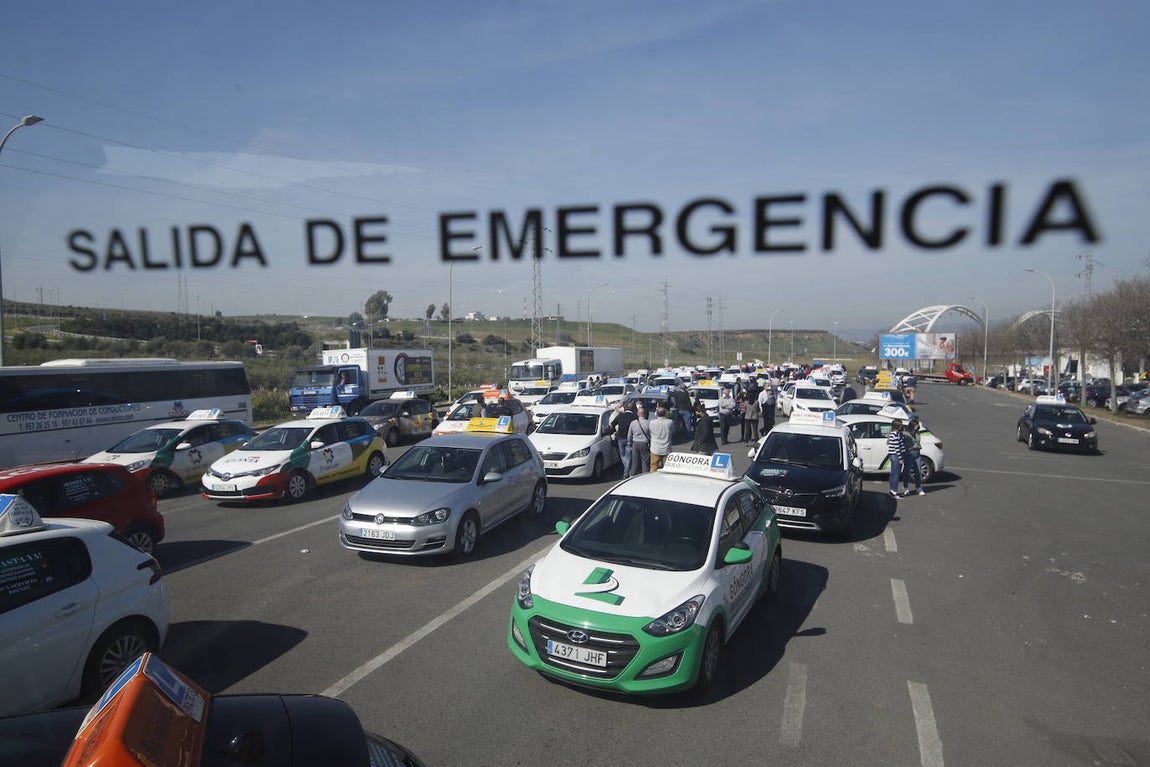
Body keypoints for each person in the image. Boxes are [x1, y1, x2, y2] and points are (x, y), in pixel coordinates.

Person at [609, 401, 637, 478]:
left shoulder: (620, 416)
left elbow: (612, 424)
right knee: (628, 456)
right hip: (629, 438)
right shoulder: (634, 417)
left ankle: (626, 472)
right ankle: (627, 472)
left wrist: (612, 430)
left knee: (623, 455)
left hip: (620, 438)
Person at [902, 417, 925, 496]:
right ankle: (905, 488)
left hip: (917, 453)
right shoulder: (905, 434)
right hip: (909, 453)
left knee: (918, 471)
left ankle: (918, 488)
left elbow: (918, 442)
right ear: (912, 425)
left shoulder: (918, 433)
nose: (918, 427)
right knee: (907, 471)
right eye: (916, 425)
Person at [627, 405, 651, 476]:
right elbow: (650, 435)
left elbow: (629, 435)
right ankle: (644, 475)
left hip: (635, 443)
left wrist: (629, 443)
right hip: (644, 443)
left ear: (638, 414)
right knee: (645, 462)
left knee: (635, 462)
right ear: (644, 414)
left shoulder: (633, 423)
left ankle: (632, 475)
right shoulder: (648, 423)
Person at [649, 405, 674, 472]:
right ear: (665, 413)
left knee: (653, 467)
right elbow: (672, 431)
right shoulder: (670, 422)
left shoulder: (652, 422)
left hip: (655, 448)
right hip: (666, 448)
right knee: (666, 468)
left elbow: (650, 432)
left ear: (656, 414)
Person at [886, 419, 906, 498]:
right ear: (898, 426)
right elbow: (897, 447)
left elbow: (889, 442)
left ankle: (892, 490)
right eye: (901, 425)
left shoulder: (892, 434)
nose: (902, 426)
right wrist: (900, 458)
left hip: (892, 455)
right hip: (896, 455)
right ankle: (894, 491)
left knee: (893, 473)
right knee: (896, 474)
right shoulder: (895, 435)